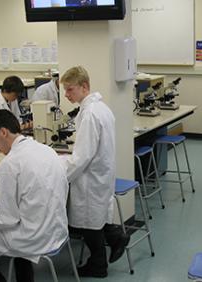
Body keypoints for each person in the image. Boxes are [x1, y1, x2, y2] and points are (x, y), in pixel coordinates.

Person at [0, 109, 69, 282]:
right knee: (10, 229)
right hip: (57, 230)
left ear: (3, 132)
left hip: (32, 238)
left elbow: (8, 219)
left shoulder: (9, 164)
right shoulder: (46, 150)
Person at [59, 66, 129, 278]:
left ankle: (98, 266)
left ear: (85, 87)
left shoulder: (89, 114)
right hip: (102, 172)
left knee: (89, 222)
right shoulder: (101, 108)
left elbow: (82, 156)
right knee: (95, 218)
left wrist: (62, 175)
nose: (66, 94)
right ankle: (116, 237)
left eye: (70, 90)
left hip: (90, 176)